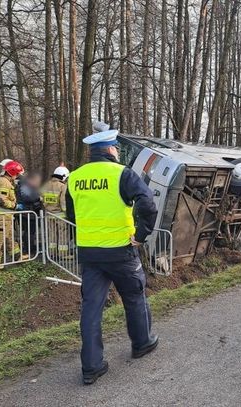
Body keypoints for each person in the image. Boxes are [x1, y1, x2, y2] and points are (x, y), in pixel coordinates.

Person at [66, 129, 158, 385]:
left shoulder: (75, 177)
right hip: (121, 251)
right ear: (110, 150)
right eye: (116, 148)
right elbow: (148, 204)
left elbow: (71, 215)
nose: (117, 151)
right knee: (134, 296)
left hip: (89, 254)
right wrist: (140, 235)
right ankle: (141, 343)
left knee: (91, 309)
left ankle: (91, 367)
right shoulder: (122, 173)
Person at [0, 160, 27, 269]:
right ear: (12, 172)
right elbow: (1, 200)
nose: (17, 176)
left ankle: (17, 256)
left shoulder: (1, 181)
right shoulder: (4, 182)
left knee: (10, 238)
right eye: (17, 174)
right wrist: (15, 206)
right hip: (1, 217)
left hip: (5, 217)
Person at [41, 166, 70, 255]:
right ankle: (63, 254)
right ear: (63, 176)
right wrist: (66, 212)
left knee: (52, 234)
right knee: (62, 235)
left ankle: (52, 253)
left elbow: (42, 199)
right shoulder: (62, 186)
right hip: (60, 215)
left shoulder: (46, 185)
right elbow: (63, 202)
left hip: (49, 214)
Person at [16, 172, 44, 257]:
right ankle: (28, 249)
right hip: (27, 212)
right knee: (29, 232)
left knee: (29, 231)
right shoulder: (24, 186)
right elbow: (28, 197)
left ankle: (28, 247)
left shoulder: (23, 185)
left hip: (27, 211)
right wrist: (38, 197)